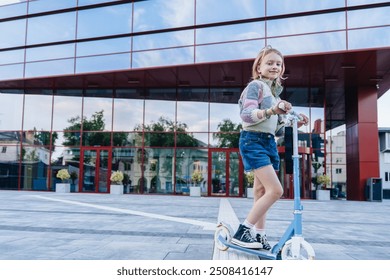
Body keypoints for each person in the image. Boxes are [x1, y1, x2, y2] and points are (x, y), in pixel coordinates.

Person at [231, 45, 309, 250]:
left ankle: (259, 235)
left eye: (278, 64)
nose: (275, 66)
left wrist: (294, 123)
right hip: (252, 141)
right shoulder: (255, 86)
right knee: (276, 190)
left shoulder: (274, 94)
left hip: (267, 141)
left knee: (261, 190)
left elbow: (274, 126)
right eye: (270, 63)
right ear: (259, 67)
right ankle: (243, 231)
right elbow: (247, 115)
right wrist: (272, 110)